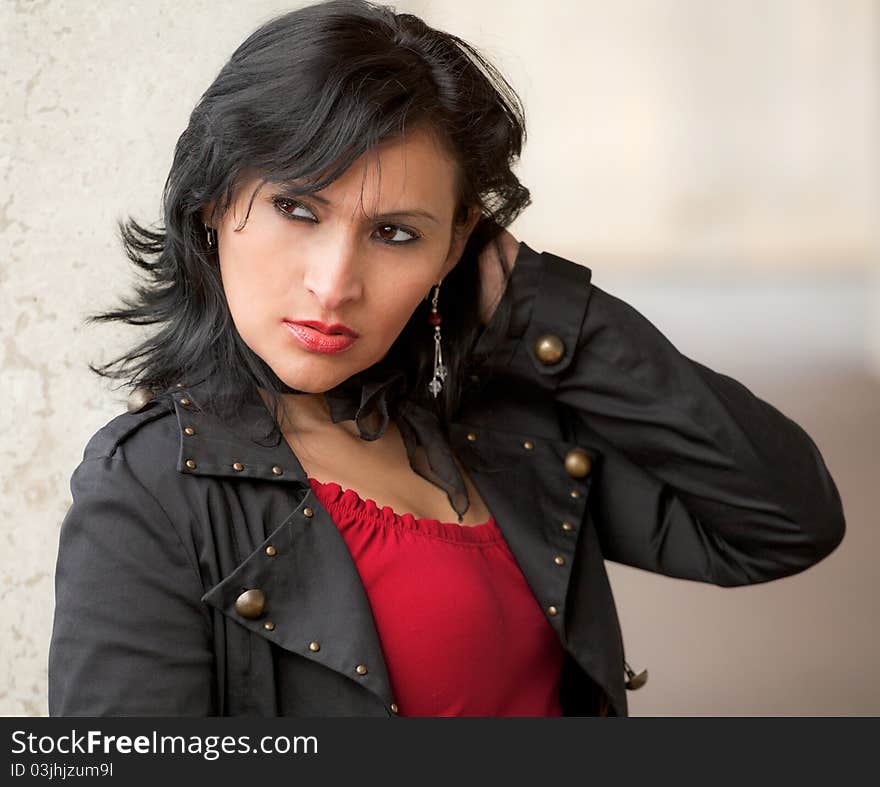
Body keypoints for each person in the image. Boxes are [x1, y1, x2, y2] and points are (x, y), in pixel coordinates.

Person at [47, 0, 846, 717]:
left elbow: (783, 521)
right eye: (297, 208)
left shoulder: (500, 430)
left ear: (454, 246)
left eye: (396, 233)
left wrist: (535, 300)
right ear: (216, 201)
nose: (334, 286)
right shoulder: (150, 487)